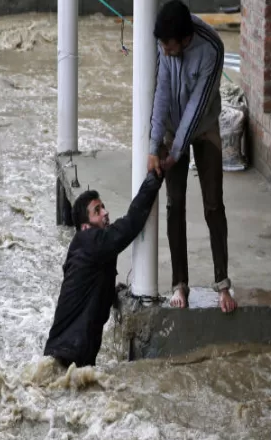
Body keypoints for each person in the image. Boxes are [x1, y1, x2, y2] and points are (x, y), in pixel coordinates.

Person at [147, 0, 237, 314]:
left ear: (185, 40)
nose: (165, 51)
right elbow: (160, 92)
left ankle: (223, 282)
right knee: (174, 203)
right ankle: (179, 284)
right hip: (173, 126)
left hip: (205, 124)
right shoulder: (165, 42)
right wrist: (153, 145)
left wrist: (175, 153)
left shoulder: (212, 48)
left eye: (168, 47)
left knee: (213, 202)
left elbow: (197, 108)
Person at [45, 171, 164, 368]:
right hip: (68, 356)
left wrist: (116, 292)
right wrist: (154, 178)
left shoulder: (86, 249)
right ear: (85, 227)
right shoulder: (92, 241)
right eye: (97, 211)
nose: (105, 212)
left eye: (103, 207)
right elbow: (131, 223)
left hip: (69, 357)